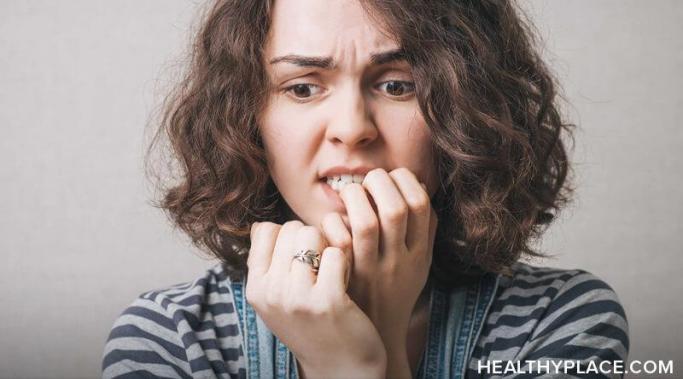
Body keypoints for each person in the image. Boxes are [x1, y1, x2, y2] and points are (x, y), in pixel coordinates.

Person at [102, 0, 629, 378]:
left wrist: (357, 366)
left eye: (397, 85)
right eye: (303, 87)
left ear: (469, 111)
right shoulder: (172, 338)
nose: (352, 127)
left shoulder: (562, 319)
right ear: (247, 119)